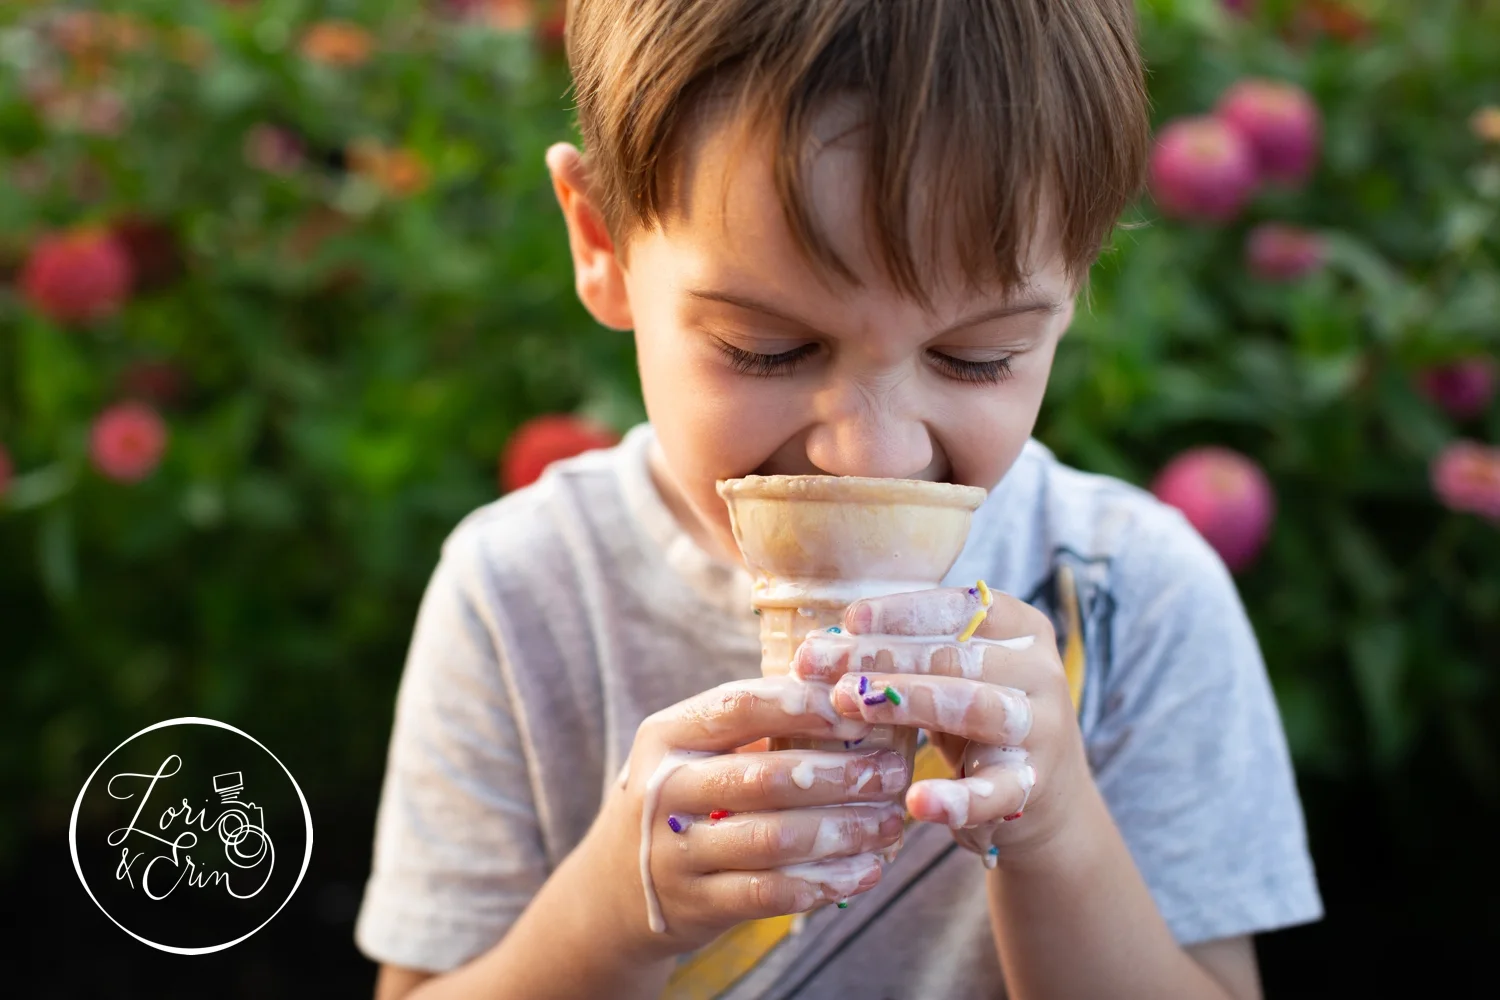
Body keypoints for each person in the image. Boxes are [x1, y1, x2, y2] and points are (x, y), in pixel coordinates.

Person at [354, 1, 1323, 997]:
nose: (874, 449)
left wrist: (1061, 831)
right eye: (767, 348)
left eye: (975, 357)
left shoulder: (1132, 599)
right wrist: (612, 911)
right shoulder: (522, 595)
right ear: (602, 242)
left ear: (1074, 284)